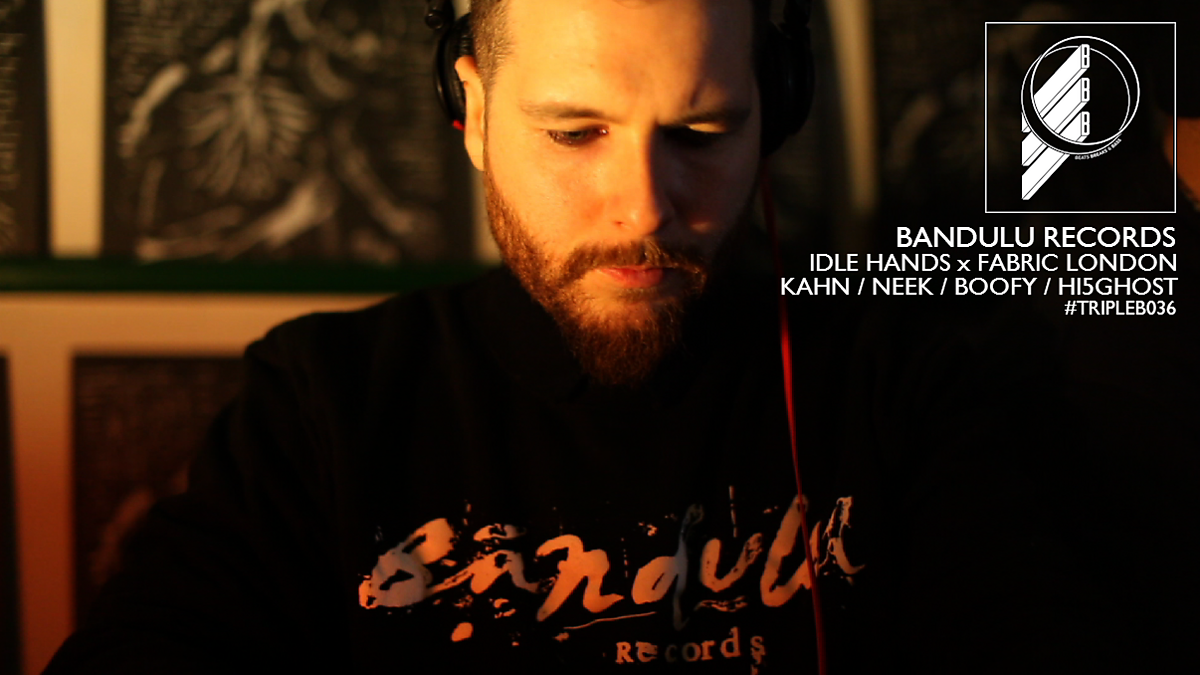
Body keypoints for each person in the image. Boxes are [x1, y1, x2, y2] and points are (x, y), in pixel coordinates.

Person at [44, 1, 1088, 673]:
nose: (644, 207)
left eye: (702, 134)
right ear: (472, 113)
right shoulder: (321, 403)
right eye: (575, 132)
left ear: (776, 114)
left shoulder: (915, 388)